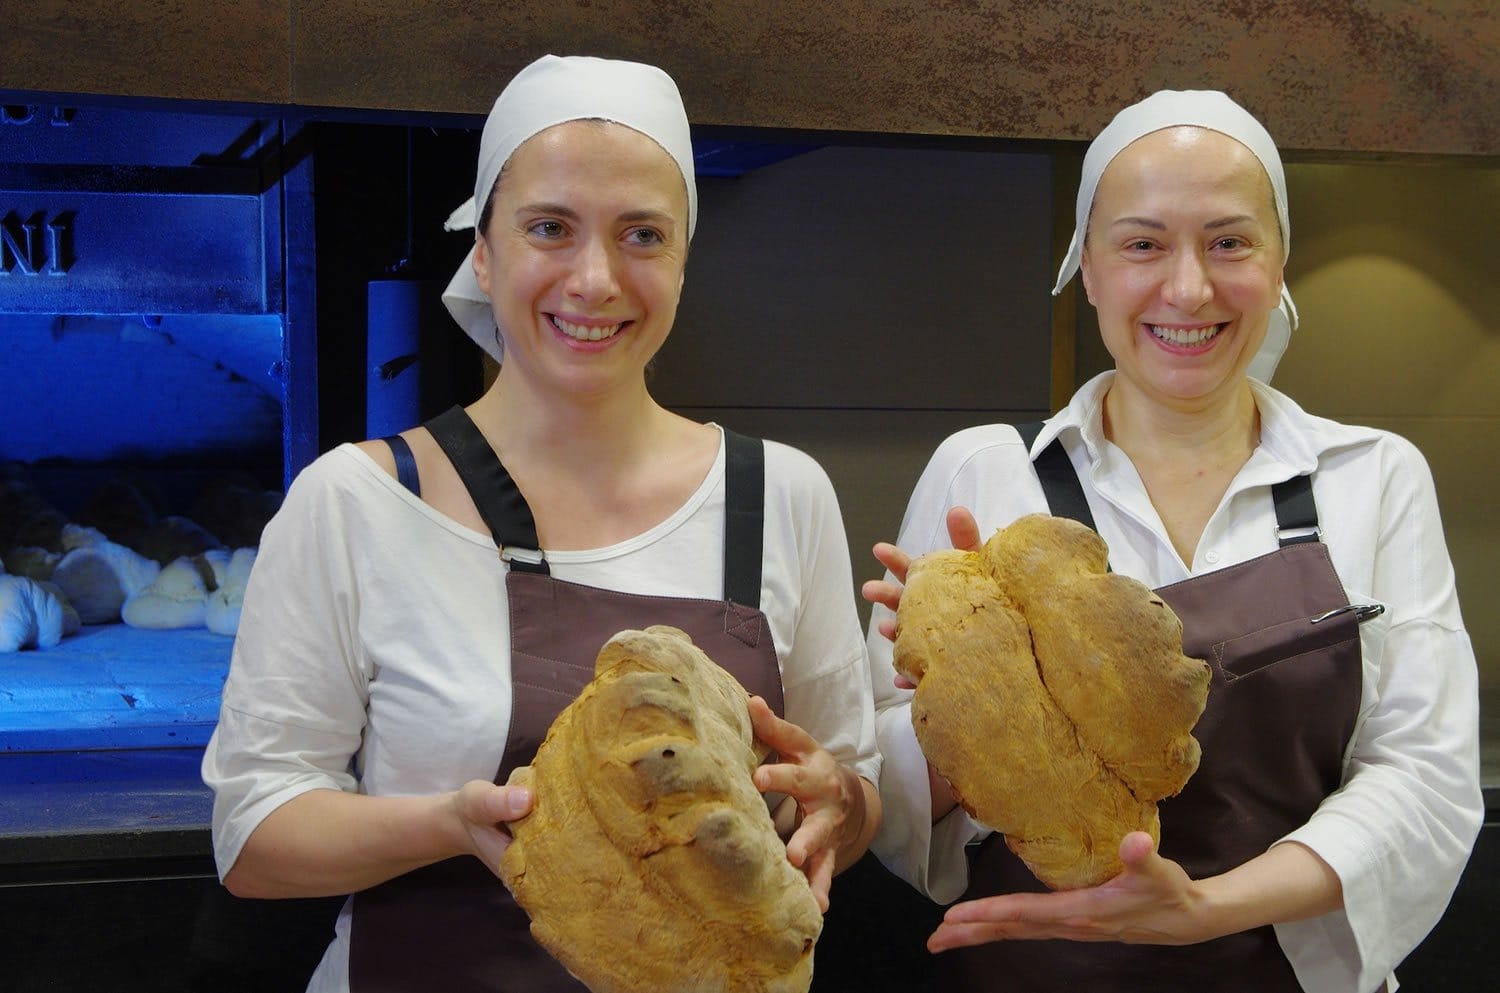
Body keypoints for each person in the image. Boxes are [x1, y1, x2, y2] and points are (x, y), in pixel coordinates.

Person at [201, 54, 881, 993]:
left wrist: (841, 802)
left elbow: (851, 790)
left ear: (684, 259)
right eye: (550, 227)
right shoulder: (355, 501)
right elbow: (252, 837)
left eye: (642, 234)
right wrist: (448, 822)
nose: (595, 279)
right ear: (483, 251)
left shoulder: (783, 495)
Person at [862, 89, 1481, 993]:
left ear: (1278, 262)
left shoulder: (1375, 476)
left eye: (1229, 242)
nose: (1189, 288)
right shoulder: (985, 474)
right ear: (1087, 268)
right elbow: (886, 793)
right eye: (1143, 244)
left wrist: (1205, 909)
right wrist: (970, 713)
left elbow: (1425, 775)